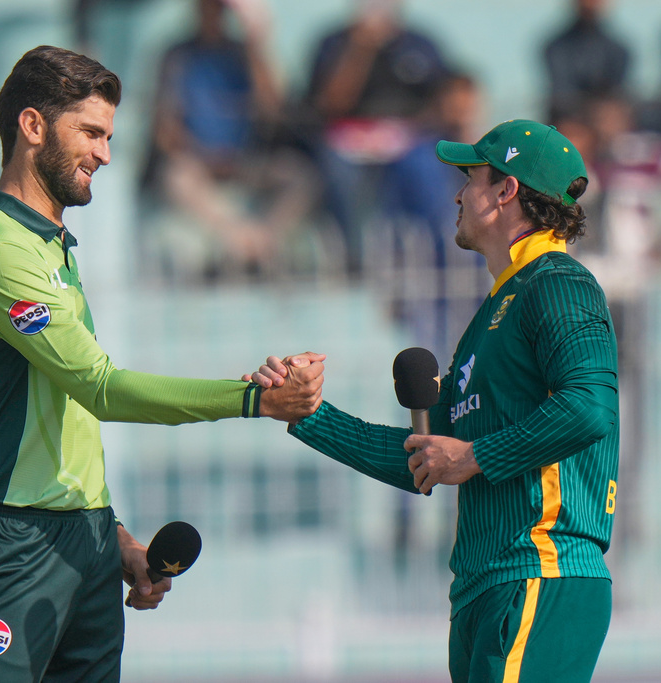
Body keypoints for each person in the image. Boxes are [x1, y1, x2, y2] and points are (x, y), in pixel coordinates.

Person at [0, 45, 325, 682]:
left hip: (84, 543)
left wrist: (113, 540)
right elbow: (101, 390)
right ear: (32, 127)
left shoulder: (51, 245)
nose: (105, 155)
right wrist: (254, 398)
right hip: (4, 545)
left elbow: (62, 424)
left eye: (109, 136)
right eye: (90, 133)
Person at [248, 120, 620, 682]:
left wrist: (473, 457)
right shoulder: (496, 312)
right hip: (489, 586)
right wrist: (308, 414)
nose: (457, 193)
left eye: (469, 177)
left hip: (541, 571)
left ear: (505, 191)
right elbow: (425, 459)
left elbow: (591, 407)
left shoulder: (559, 283)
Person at [140, 0, 318, 279]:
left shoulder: (244, 54)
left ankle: (261, 241)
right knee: (177, 177)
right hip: (198, 163)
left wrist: (257, 41)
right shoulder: (177, 56)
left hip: (246, 162)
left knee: (300, 177)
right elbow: (165, 129)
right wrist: (203, 155)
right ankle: (241, 238)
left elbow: (274, 109)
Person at [301, 0, 449, 274]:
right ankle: (359, 262)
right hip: (348, 139)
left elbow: (442, 104)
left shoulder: (421, 43)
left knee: (428, 164)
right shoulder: (333, 43)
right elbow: (330, 104)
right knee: (336, 169)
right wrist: (360, 49)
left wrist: (405, 130)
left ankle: (440, 258)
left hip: (407, 139)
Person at [542, 0, 631, 124]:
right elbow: (563, 96)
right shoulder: (555, 48)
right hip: (570, 121)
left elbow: (618, 94)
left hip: (605, 121)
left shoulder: (619, 49)